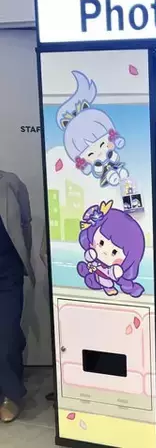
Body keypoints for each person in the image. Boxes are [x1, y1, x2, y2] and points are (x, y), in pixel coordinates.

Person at [0, 171, 34, 423]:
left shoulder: (10, 182)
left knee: (7, 333)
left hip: (6, 270)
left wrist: (25, 258)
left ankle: (12, 394)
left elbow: (25, 224)